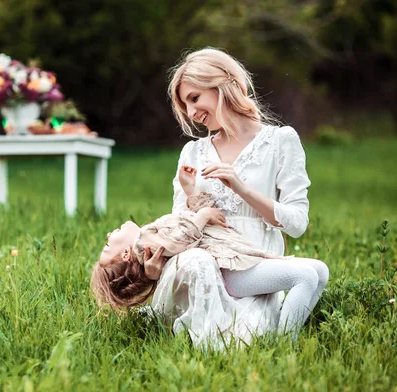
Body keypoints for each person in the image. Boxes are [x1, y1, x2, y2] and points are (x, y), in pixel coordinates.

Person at [105, 47, 328, 347]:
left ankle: (281, 339)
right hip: (215, 264)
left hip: (257, 258)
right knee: (306, 276)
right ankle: (285, 347)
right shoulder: (193, 152)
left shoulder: (281, 142)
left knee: (319, 272)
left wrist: (243, 189)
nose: (192, 112)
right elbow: (181, 225)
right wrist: (154, 265)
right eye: (185, 105)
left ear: (222, 83)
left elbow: (297, 224)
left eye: (195, 98)